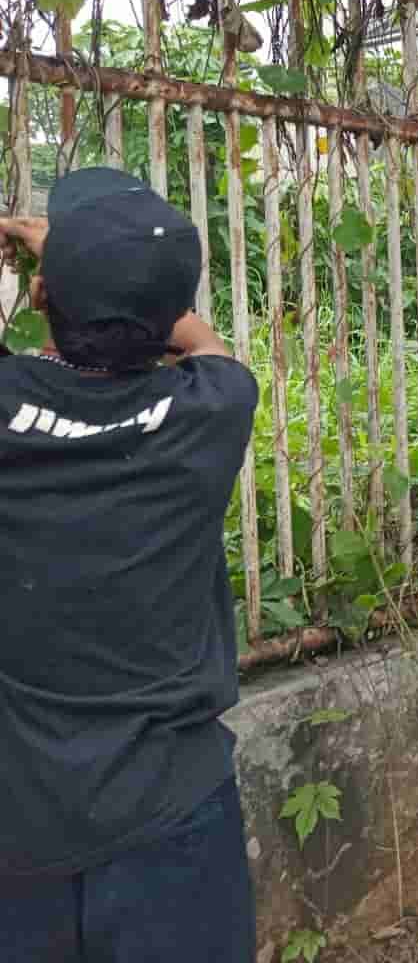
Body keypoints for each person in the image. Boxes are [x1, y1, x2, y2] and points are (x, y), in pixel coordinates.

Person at [0, 169, 260, 961]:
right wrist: (102, 273)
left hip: (23, 821)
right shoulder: (214, 408)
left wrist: (49, 271)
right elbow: (204, 342)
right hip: (174, 813)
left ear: (43, 298)